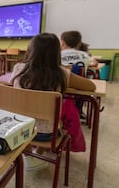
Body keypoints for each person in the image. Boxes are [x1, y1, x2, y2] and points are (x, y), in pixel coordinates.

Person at [10, 33, 96, 166]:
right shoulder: (61, 73)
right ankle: (38, 153)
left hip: (18, 130)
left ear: (31, 49)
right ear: (57, 52)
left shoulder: (18, 69)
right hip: (47, 135)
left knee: (29, 113)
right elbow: (91, 86)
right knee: (50, 120)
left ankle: (27, 153)